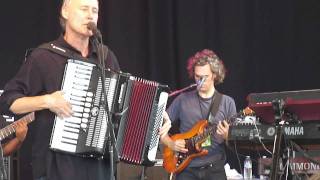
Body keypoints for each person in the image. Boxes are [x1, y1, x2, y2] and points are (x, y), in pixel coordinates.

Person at [161, 49, 237, 180]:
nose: (200, 81)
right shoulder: (182, 99)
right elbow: (161, 127)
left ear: (214, 74)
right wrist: (170, 143)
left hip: (215, 168)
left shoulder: (227, 102)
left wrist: (227, 136)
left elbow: (236, 142)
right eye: (197, 76)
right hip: (186, 168)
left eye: (205, 77)